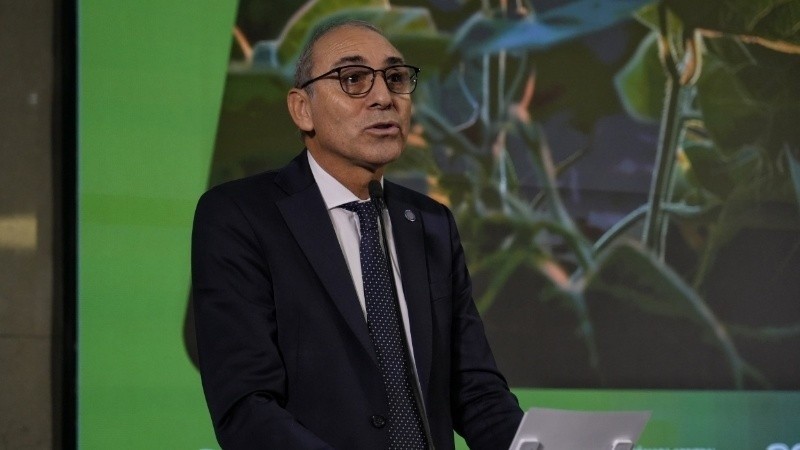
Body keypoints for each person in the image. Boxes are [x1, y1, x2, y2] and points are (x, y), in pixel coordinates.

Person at [191, 18, 523, 450]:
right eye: (353, 79)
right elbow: (247, 408)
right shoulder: (240, 216)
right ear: (302, 109)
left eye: (396, 78)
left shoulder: (431, 223)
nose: (384, 97)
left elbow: (477, 394)